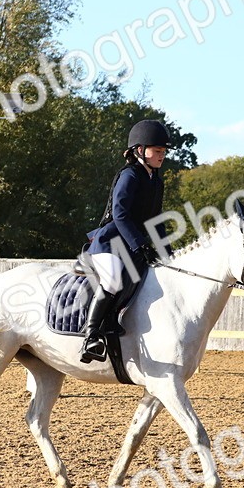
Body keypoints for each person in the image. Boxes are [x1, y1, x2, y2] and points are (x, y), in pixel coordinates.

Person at [79, 119, 171, 363]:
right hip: (110, 243)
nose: (162, 155)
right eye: (157, 151)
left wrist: (167, 251)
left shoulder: (156, 181)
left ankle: (115, 323)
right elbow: (120, 215)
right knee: (113, 278)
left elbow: (157, 220)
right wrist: (140, 244)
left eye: (163, 152)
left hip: (133, 244)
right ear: (140, 150)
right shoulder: (130, 175)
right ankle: (91, 336)